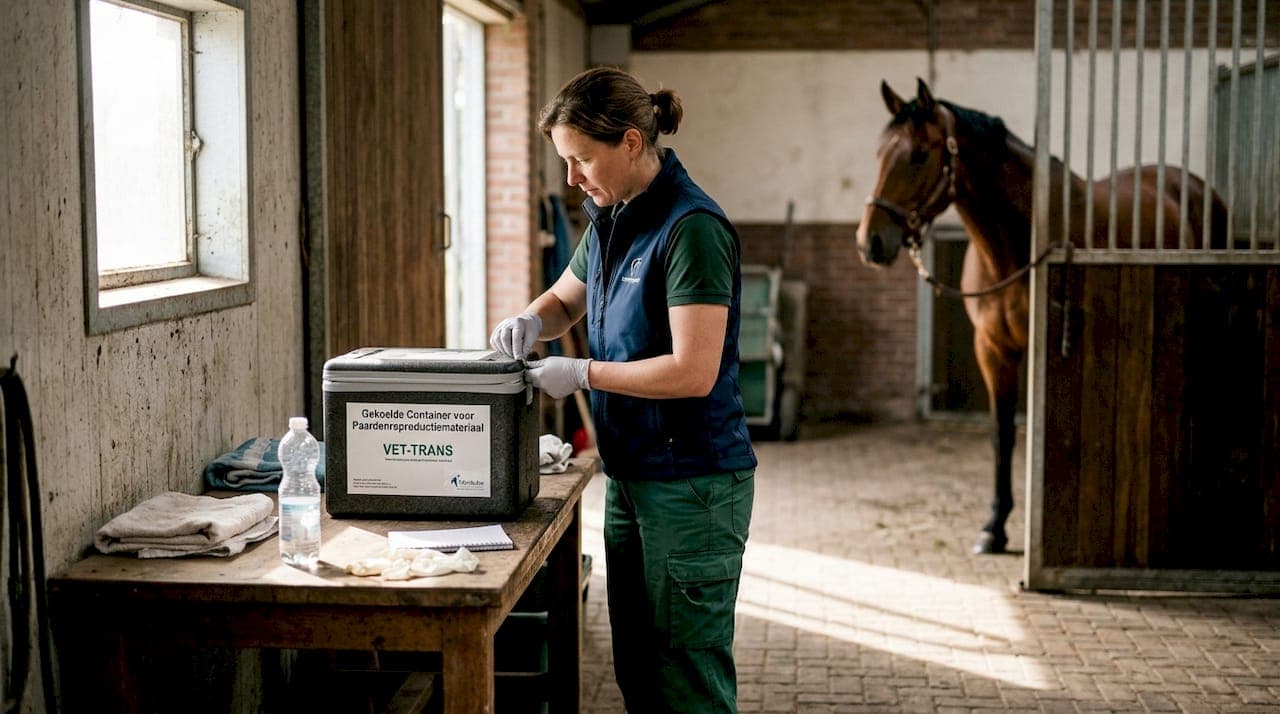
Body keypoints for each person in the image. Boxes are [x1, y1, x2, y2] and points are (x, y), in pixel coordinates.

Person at [490, 67, 757, 713]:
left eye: (582, 159)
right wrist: (530, 321)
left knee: (687, 679)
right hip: (633, 474)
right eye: (566, 162)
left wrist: (582, 373)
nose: (573, 178)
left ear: (631, 143)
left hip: (691, 483)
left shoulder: (690, 228)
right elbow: (563, 300)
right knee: (638, 667)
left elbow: (692, 372)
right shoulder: (613, 218)